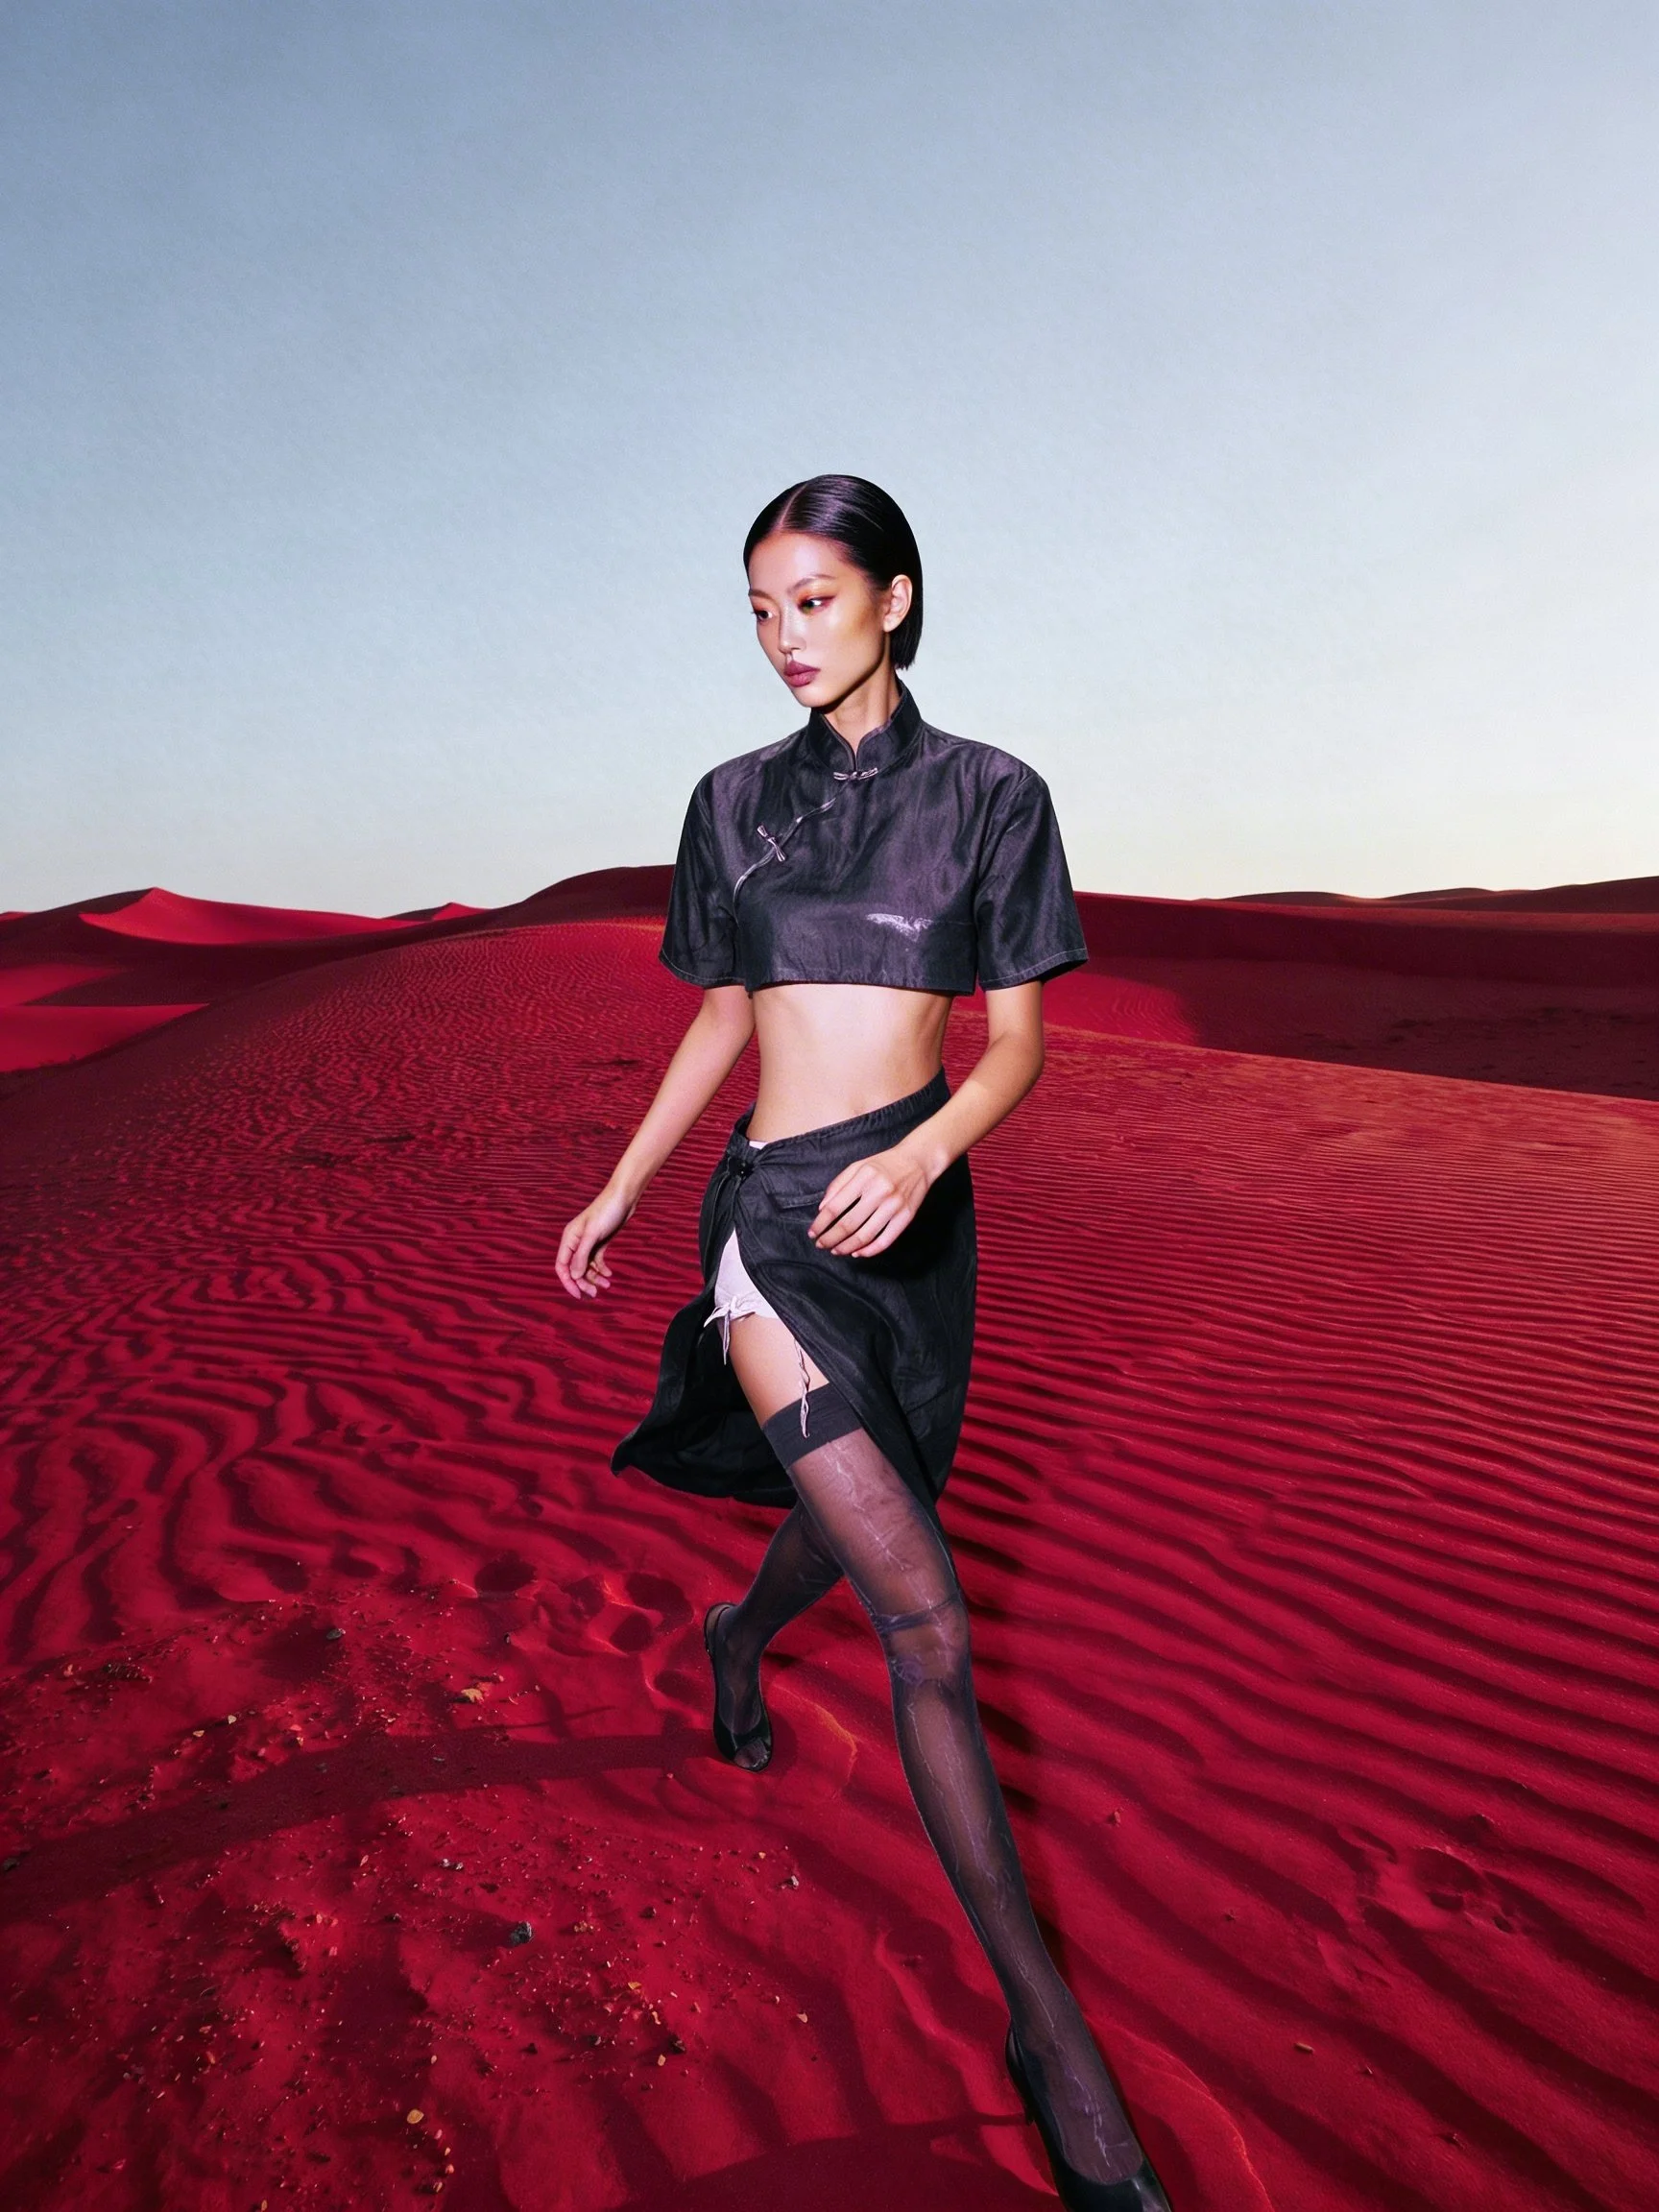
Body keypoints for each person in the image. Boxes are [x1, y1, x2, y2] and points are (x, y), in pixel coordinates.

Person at [556, 475, 1171, 2210]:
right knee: (928, 1614)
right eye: (757, 610)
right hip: (774, 1224)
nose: (779, 640)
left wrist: (919, 1155)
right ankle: (1048, 2037)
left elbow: (1017, 1049)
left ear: (894, 599)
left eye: (810, 602)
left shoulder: (994, 798)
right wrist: (621, 1186)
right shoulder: (728, 806)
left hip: (911, 1224)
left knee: (850, 1520)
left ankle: (740, 1637)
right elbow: (721, 1013)